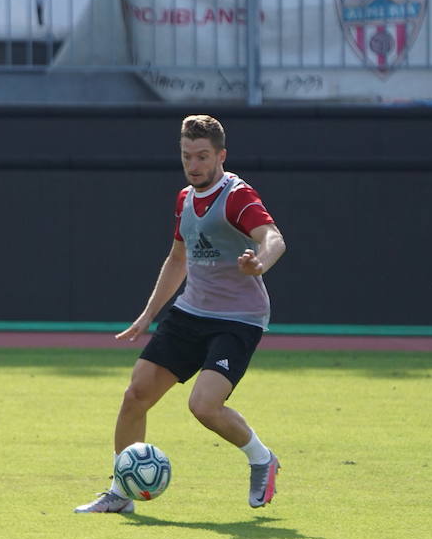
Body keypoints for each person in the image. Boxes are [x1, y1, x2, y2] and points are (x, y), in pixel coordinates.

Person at [76, 115, 287, 514]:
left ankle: (262, 459)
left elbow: (274, 238)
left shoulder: (237, 196)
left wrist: (259, 262)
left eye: (203, 156)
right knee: (135, 396)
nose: (194, 165)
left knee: (204, 406)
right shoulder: (185, 198)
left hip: (238, 318)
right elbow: (177, 259)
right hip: (191, 312)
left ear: (221, 156)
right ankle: (121, 493)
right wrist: (147, 316)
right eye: (187, 156)